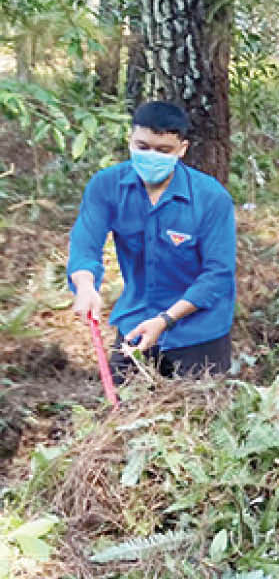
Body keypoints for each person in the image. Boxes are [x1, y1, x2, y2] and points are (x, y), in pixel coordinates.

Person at [67, 101, 237, 380]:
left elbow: (217, 275)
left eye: (163, 150)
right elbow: (86, 243)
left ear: (182, 149)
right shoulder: (107, 185)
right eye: (142, 147)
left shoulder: (210, 198)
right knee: (122, 411)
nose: (151, 156)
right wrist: (85, 286)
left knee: (199, 414)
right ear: (130, 141)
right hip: (135, 322)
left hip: (199, 331)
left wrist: (165, 320)